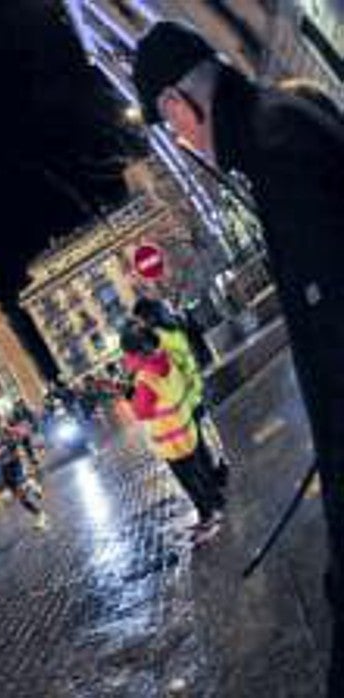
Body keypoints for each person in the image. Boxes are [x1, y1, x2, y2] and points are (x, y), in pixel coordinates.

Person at [135, 20, 344, 691]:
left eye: (175, 129)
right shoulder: (291, 106)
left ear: (178, 106)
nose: (186, 141)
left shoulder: (276, 151)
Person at [122, 322, 225, 544]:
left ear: (133, 354)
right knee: (201, 472)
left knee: (192, 482)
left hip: (172, 442)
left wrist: (130, 394)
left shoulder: (145, 378)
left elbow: (142, 411)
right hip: (186, 430)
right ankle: (214, 508)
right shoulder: (165, 359)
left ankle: (209, 518)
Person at [133, 296, 230, 486]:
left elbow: (166, 369)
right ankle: (218, 470)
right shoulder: (175, 325)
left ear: (148, 317)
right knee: (204, 437)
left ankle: (213, 478)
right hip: (195, 390)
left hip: (184, 396)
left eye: (141, 319)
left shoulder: (158, 337)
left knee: (197, 445)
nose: (140, 324)